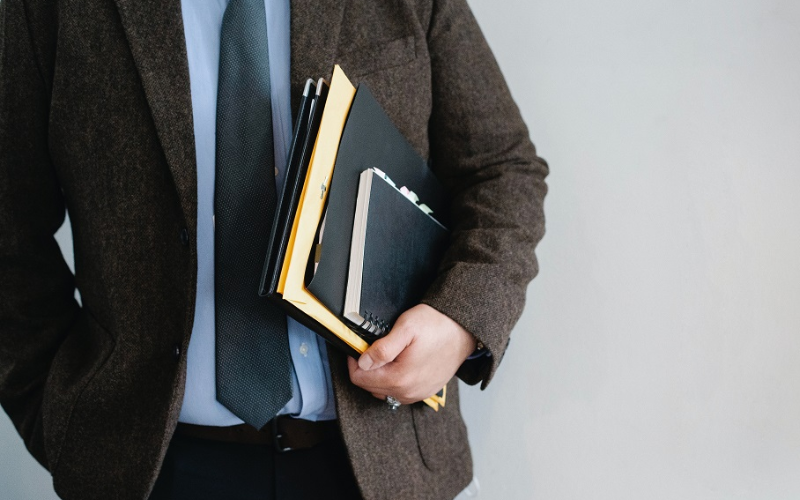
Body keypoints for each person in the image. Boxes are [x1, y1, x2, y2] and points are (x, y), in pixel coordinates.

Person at [0, 0, 548, 498]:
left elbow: (501, 169)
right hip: (152, 470)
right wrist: (62, 425)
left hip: (388, 459)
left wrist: (461, 317)